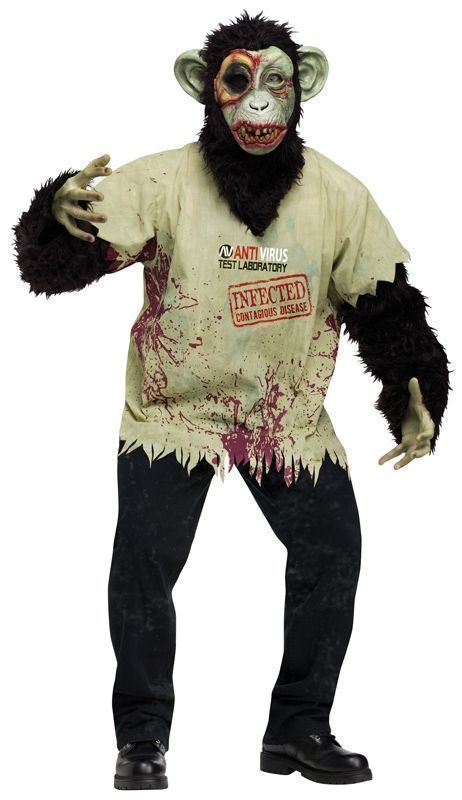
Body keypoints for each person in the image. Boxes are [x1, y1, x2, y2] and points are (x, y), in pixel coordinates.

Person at [12, 10, 450, 790]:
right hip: (173, 412)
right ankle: (142, 737)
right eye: (239, 81)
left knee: (333, 551)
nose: (259, 102)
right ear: (203, 87)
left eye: (275, 82)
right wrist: (54, 217)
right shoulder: (162, 182)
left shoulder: (339, 196)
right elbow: (58, 266)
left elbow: (386, 305)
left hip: (285, 418)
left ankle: (300, 728)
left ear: (303, 87)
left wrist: (415, 391)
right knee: (143, 564)